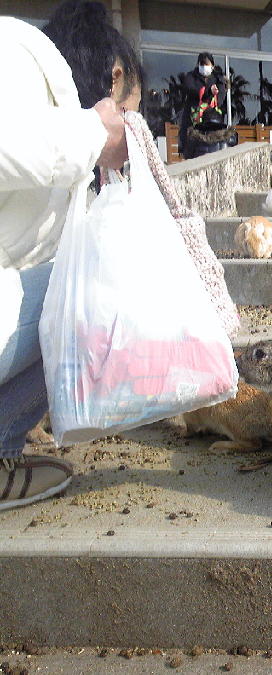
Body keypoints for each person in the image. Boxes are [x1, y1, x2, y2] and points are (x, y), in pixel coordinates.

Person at [0, 0, 142, 511]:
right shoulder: (12, 54)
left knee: (85, 281)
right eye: (133, 118)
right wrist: (93, 134)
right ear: (116, 80)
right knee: (89, 289)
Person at [178, 52, 232, 159]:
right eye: (202, 64)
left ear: (212, 65)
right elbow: (189, 89)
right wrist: (207, 92)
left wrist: (214, 93)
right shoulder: (191, 77)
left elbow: (220, 100)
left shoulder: (218, 79)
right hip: (193, 121)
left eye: (207, 64)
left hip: (213, 122)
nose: (204, 67)